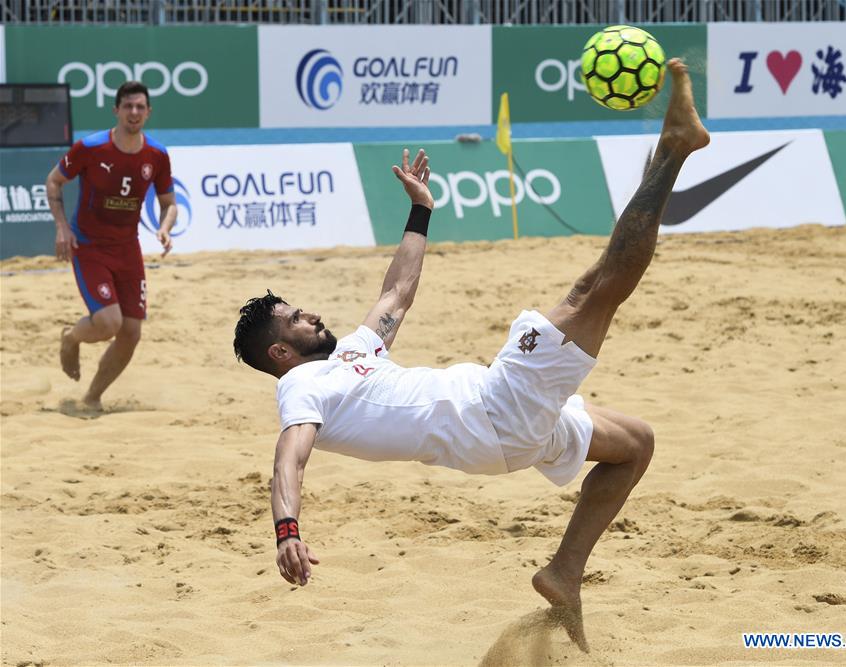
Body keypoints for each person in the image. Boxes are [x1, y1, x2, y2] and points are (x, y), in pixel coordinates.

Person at [232, 59, 709, 652]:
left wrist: (420, 210)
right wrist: (286, 531)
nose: (313, 316)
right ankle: (677, 147)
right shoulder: (300, 389)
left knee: (634, 444)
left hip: (502, 426)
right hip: (492, 413)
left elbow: (396, 294)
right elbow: (289, 460)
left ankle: (564, 572)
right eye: (297, 319)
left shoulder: (350, 355)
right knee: (597, 288)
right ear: (280, 351)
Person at [47, 81, 177, 411]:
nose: (134, 112)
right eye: (128, 106)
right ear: (116, 110)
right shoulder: (90, 147)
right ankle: (71, 338)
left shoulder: (157, 154)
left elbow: (169, 203)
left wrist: (164, 227)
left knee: (131, 332)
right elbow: (54, 181)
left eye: (140, 107)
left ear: (148, 112)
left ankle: (92, 397)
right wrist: (62, 227)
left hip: (127, 249)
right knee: (108, 323)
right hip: (88, 245)